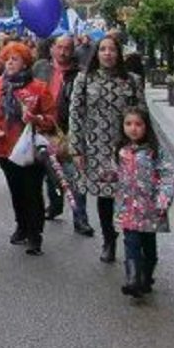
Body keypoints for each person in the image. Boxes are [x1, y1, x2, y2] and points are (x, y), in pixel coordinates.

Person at [68, 32, 142, 264]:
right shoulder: (84, 79)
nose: (107, 54)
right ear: (96, 53)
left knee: (131, 195)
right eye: (103, 49)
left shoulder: (132, 80)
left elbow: (142, 115)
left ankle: (135, 245)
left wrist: (144, 148)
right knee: (105, 197)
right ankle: (109, 240)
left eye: (112, 49)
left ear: (119, 53)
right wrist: (76, 149)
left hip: (127, 146)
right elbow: (76, 115)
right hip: (96, 147)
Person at [0, 41, 56, 256]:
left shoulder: (38, 87)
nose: (10, 62)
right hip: (6, 147)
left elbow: (52, 118)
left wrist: (36, 118)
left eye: (15, 59)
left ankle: (35, 234)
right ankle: (21, 225)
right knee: (16, 190)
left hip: (31, 149)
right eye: (7, 58)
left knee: (32, 191)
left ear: (25, 64)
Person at [114, 107, 174, 298]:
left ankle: (146, 277)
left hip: (150, 209)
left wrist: (163, 199)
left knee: (148, 245)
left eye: (138, 124)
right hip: (128, 208)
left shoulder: (154, 152)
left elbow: (167, 176)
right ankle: (132, 278)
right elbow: (115, 174)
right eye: (128, 124)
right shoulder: (121, 151)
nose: (133, 128)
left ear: (146, 127)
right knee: (130, 241)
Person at [41, 35, 89, 232]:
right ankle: (55, 205)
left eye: (67, 48)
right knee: (51, 174)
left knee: (75, 176)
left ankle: (81, 219)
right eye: (59, 47)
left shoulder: (79, 74)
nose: (63, 52)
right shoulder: (40, 69)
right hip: (45, 129)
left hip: (70, 131)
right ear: (52, 48)